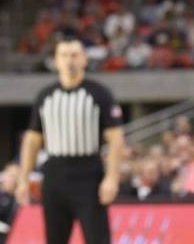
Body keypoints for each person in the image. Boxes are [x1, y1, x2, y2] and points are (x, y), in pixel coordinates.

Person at [15, 37, 125, 244]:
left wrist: (112, 178)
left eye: (74, 55)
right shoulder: (45, 96)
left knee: (98, 239)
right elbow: (32, 141)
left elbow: (116, 139)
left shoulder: (99, 93)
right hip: (55, 175)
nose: (69, 61)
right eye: (64, 55)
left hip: (89, 174)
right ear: (56, 60)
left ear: (84, 59)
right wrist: (23, 179)